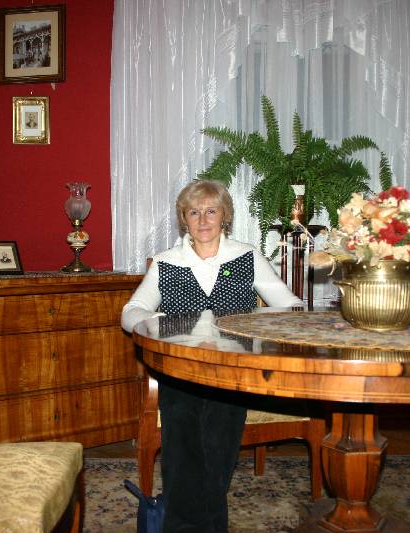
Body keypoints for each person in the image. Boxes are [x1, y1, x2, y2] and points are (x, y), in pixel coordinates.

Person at [121, 180, 303, 533]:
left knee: (218, 435)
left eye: (211, 211)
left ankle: (183, 526)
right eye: (194, 212)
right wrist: (165, 322)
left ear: (224, 216)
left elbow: (289, 306)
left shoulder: (247, 257)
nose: (203, 220)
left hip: (231, 371)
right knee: (182, 433)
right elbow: (130, 313)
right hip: (180, 370)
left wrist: (261, 322)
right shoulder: (166, 262)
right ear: (184, 219)